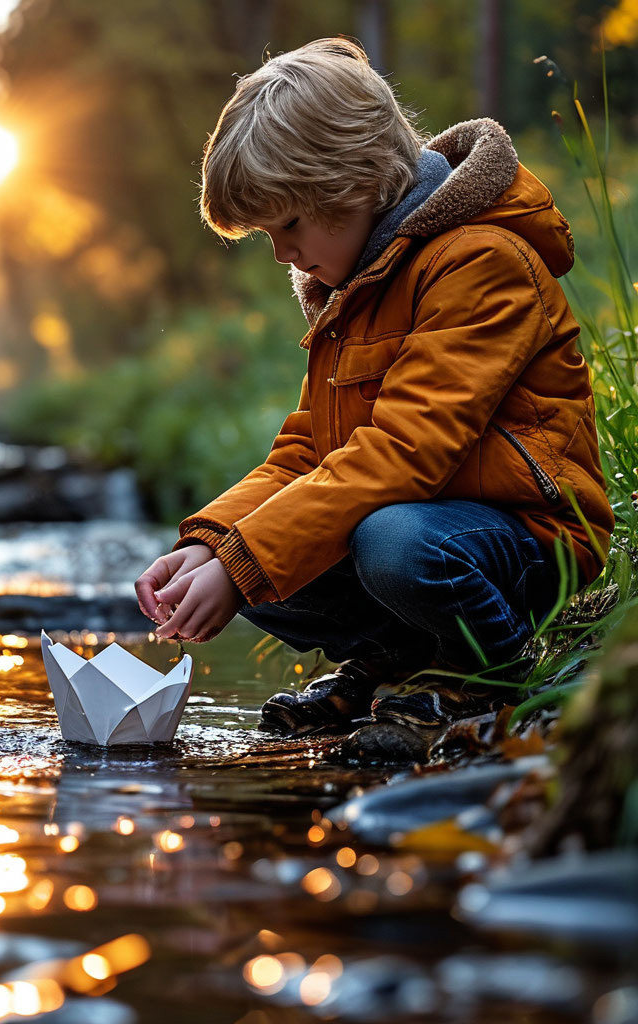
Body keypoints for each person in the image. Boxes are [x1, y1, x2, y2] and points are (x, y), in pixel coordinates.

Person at [134, 36, 614, 759]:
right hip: (422, 519)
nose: (281, 254)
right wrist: (213, 546)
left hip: (524, 537)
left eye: (288, 225)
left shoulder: (480, 262)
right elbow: (307, 453)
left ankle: (500, 669)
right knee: (264, 561)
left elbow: (403, 453)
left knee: (387, 544)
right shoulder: (353, 286)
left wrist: (241, 563)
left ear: (353, 182)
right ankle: (398, 666)